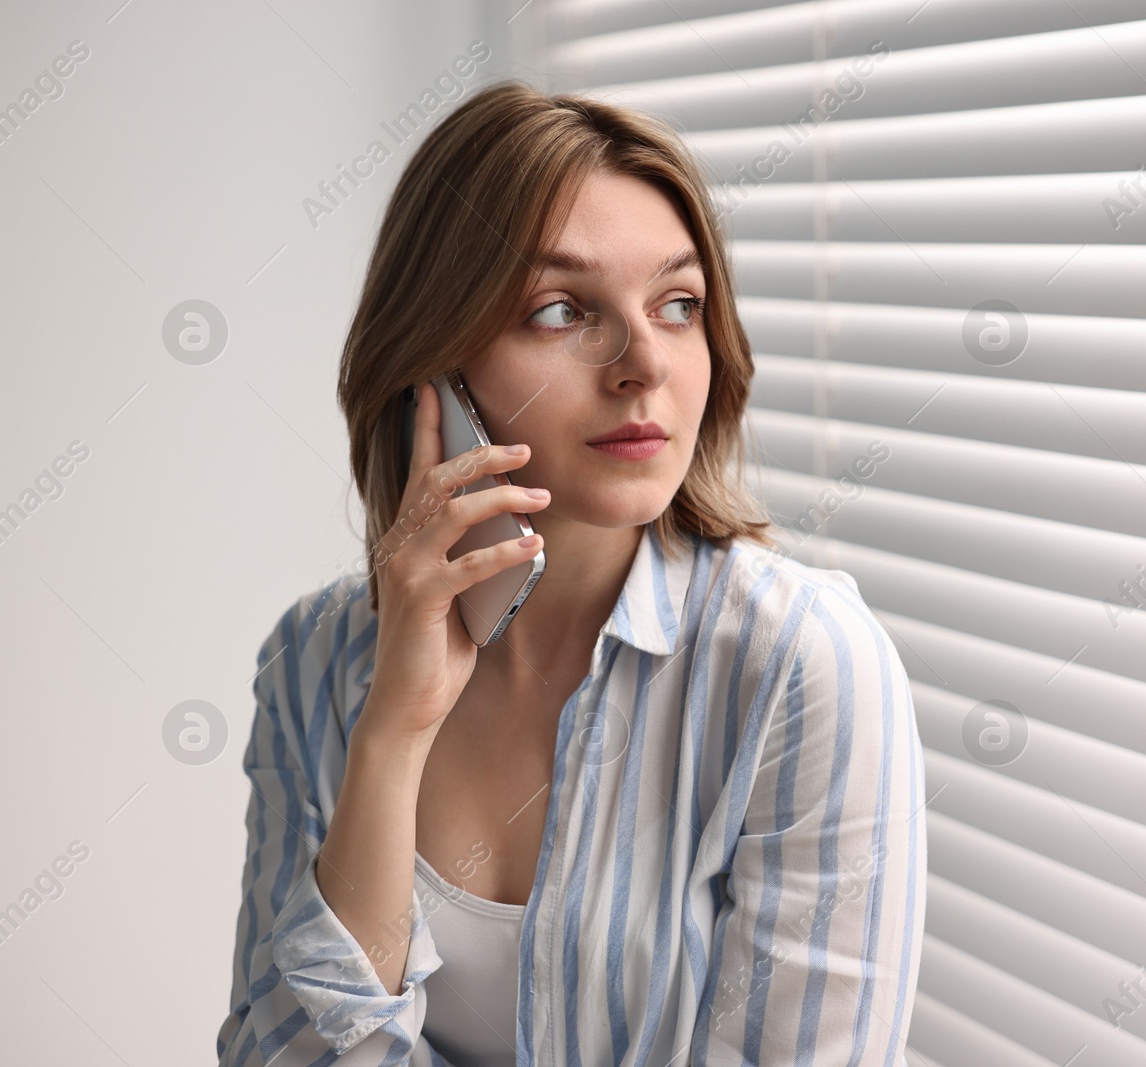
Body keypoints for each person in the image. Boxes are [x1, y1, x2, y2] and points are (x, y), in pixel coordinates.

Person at [214, 79, 927, 1067]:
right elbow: (280, 1053)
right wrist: (392, 730)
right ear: (434, 365)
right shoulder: (313, 657)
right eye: (560, 311)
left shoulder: (802, 664)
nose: (644, 361)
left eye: (677, 304)